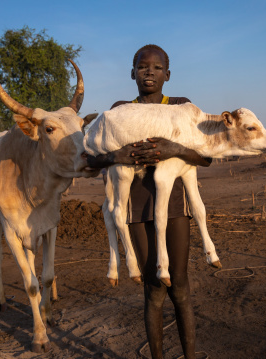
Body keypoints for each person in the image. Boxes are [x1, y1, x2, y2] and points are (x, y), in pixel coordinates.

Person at [87, 44, 211, 359]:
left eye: (156, 68)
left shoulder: (182, 107)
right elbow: (95, 160)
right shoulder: (120, 111)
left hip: (175, 208)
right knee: (154, 288)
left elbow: (205, 157)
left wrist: (176, 149)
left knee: (180, 286)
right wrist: (118, 155)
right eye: (143, 67)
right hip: (136, 210)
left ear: (167, 74)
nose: (149, 73)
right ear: (133, 73)